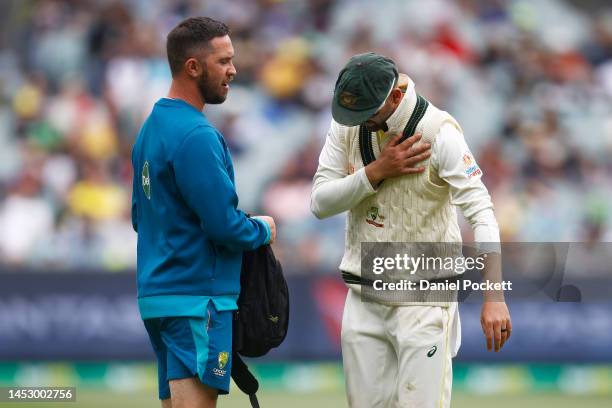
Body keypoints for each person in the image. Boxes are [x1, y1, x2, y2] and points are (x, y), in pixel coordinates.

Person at [311, 52, 511, 407]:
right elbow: (320, 203)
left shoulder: (439, 132)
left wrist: (493, 296)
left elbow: (482, 213)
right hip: (363, 294)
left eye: (368, 113)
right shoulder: (348, 122)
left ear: (396, 97)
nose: (360, 122)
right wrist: (376, 172)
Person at [131, 17, 276, 408]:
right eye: (223, 61)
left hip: (159, 297)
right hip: (198, 300)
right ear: (193, 66)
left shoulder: (151, 128)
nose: (233, 69)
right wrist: (263, 229)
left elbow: (138, 217)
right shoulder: (196, 135)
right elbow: (225, 227)